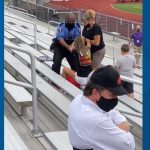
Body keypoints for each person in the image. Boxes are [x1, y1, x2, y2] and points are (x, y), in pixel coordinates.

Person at [68, 65, 135, 150]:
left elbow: (112, 112)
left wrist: (122, 122)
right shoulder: (96, 120)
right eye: (112, 94)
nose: (115, 98)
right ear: (95, 92)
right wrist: (124, 128)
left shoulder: (80, 99)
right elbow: (128, 145)